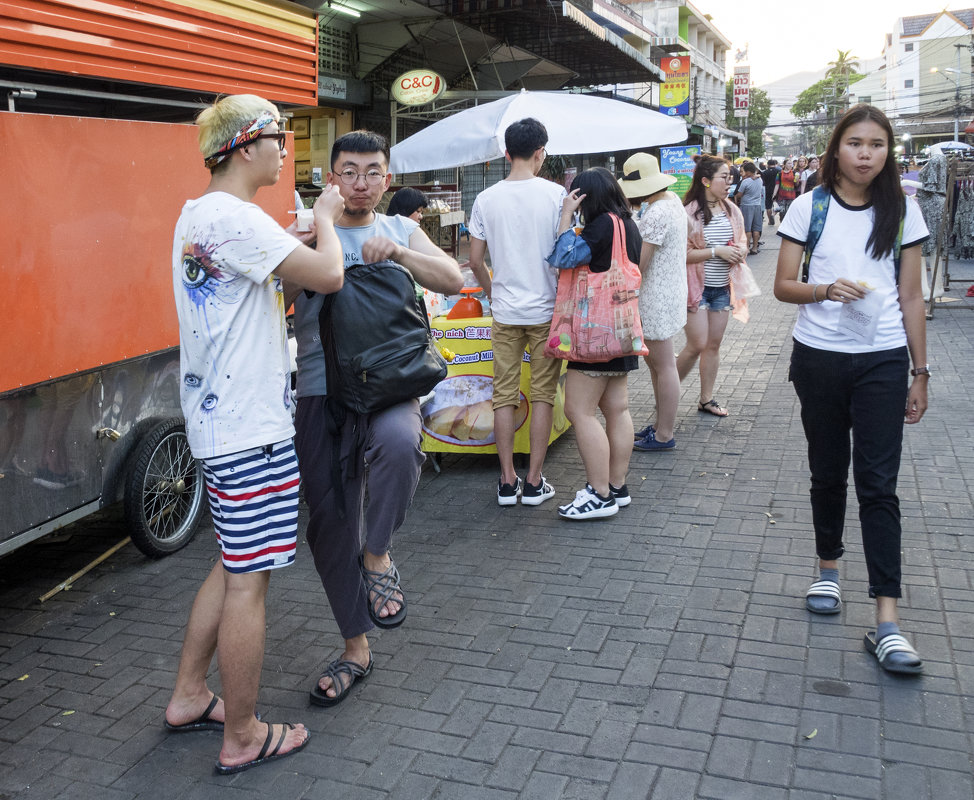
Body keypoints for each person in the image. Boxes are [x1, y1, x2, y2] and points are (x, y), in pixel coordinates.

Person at [165, 94, 345, 774]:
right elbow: (328, 273)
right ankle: (241, 733)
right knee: (250, 581)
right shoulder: (235, 218)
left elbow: (270, 285)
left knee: (232, 563)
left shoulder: (200, 215)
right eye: (278, 135)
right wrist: (325, 220)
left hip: (221, 423)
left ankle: (189, 695)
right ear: (246, 146)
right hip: (250, 429)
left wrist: (298, 239)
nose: (286, 148)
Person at [290, 131, 463, 705]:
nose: (360, 182)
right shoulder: (309, 228)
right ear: (332, 178)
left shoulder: (400, 228)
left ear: (386, 178)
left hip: (389, 384)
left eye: (372, 171)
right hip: (322, 389)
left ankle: (379, 551)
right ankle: (354, 646)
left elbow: (453, 280)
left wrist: (404, 255)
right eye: (349, 171)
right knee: (330, 519)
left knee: (398, 441)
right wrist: (301, 244)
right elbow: (281, 291)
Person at [773, 104, 930, 675]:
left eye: (878, 145)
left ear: (888, 153)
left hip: (883, 362)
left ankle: (887, 621)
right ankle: (828, 569)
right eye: (856, 143)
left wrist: (920, 371)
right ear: (836, 148)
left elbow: (911, 297)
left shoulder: (903, 210)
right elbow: (782, 285)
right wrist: (823, 290)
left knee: (879, 486)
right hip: (819, 359)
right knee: (827, 470)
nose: (866, 153)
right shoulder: (807, 205)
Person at [467, 118, 566, 507]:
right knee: (542, 395)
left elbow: (475, 260)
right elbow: (564, 257)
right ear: (540, 152)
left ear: (507, 153)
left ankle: (507, 481)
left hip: (505, 312)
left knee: (503, 396)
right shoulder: (557, 196)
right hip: (546, 310)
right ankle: (535, 480)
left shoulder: (485, 199)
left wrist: (494, 295)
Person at [547, 167, 643, 518]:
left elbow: (562, 257)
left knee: (579, 411)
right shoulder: (627, 224)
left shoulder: (601, 224)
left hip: (595, 334)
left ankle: (598, 493)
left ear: (585, 196)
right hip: (622, 330)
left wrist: (565, 216)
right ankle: (617, 487)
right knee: (617, 409)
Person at [618, 152, 688, 452]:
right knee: (658, 366)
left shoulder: (657, 213)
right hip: (668, 292)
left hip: (655, 297)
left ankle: (664, 434)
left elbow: (639, 263)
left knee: (662, 365)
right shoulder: (672, 200)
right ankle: (661, 425)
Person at [676, 156, 748, 418]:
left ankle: (706, 399)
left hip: (722, 288)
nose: (729, 182)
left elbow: (741, 241)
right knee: (696, 344)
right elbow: (680, 254)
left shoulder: (732, 210)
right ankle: (667, 389)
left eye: (730, 177)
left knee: (713, 346)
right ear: (706, 181)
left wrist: (739, 251)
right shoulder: (688, 213)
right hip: (697, 289)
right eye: (724, 177)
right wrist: (716, 251)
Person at [736, 161, 765, 254]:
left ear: (747, 171)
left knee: (747, 228)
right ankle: (755, 248)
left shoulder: (745, 182)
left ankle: (747, 248)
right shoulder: (760, 180)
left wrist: (736, 196)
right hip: (757, 205)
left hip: (746, 206)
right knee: (756, 228)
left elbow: (740, 194)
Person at [762, 159, 780, 226]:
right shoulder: (779, 171)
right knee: (778, 205)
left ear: (768, 165)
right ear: (775, 164)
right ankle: (773, 214)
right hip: (777, 190)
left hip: (767, 191)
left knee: (768, 206)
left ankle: (770, 220)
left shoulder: (764, 173)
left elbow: (763, 183)